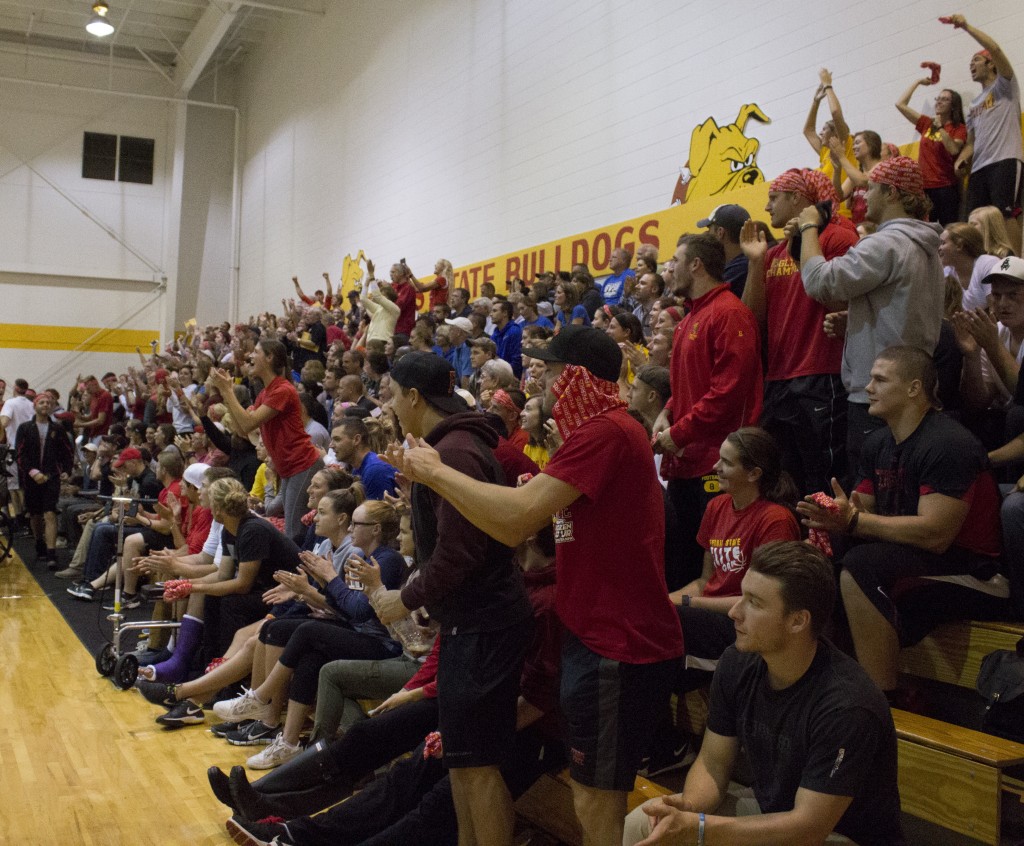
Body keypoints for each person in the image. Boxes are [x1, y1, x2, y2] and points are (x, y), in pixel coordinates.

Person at [398, 328, 683, 846]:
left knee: (596, 805)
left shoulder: (607, 431)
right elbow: (533, 524)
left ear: (577, 375)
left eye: (552, 371)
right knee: (588, 799)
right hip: (596, 635)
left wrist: (436, 475)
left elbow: (512, 522)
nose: (543, 381)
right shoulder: (593, 435)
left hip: (617, 642)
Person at [623, 541, 904, 846]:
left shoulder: (847, 705)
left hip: (838, 835)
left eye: (754, 603)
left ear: (798, 620)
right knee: (643, 823)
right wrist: (689, 810)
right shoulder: (738, 662)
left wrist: (701, 829)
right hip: (776, 816)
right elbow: (713, 764)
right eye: (741, 596)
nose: (734, 611)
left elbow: (808, 828)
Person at [369, 351, 534, 846]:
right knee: (463, 765)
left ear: (414, 396)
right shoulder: (449, 445)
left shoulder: (457, 450)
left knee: (478, 768)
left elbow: (459, 555)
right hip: (473, 625)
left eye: (394, 396)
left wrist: (406, 597)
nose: (392, 407)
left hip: (486, 626)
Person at [796, 347, 1001, 698]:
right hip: (915, 556)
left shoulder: (948, 443)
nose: (868, 386)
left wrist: (855, 521)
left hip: (974, 571)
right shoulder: (878, 442)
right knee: (814, 558)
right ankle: (821, 682)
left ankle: (879, 699)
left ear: (914, 389)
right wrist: (830, 520)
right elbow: (860, 510)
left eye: (880, 379)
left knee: (862, 564)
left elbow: (935, 534)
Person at [799, 156, 944, 477]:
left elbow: (820, 282)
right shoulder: (925, 246)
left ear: (892, 193)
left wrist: (808, 227)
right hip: (910, 391)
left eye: (871, 189)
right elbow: (902, 310)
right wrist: (855, 323)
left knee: (871, 498)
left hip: (876, 398)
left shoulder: (885, 244)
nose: (862, 197)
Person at [740, 168, 858, 496]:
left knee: (826, 478)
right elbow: (750, 319)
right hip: (779, 380)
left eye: (774, 198)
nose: (767, 208)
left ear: (797, 198)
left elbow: (844, 298)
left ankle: (829, 546)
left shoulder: (837, 238)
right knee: (785, 482)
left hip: (823, 374)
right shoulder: (774, 254)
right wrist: (754, 263)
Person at [654, 233, 763, 586]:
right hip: (685, 464)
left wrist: (678, 432)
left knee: (714, 578)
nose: (669, 270)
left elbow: (727, 393)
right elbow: (687, 385)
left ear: (696, 265)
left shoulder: (729, 313)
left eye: (675, 261)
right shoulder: (689, 319)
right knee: (679, 568)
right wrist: (666, 413)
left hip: (716, 465)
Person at [671, 427, 800, 689]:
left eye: (727, 462)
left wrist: (687, 603)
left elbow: (760, 601)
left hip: (745, 623)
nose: (716, 466)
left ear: (753, 474)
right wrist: (663, 601)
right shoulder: (716, 506)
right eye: (719, 458)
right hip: (709, 614)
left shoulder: (775, 520)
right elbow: (705, 581)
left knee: (672, 626)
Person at [211, 339, 323, 543]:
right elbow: (241, 429)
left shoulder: (283, 390)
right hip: (289, 468)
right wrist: (226, 395)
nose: (250, 356)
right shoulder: (265, 393)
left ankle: (296, 573)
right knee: (291, 529)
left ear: (270, 357)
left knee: (294, 531)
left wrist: (228, 391)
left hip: (303, 464)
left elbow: (247, 423)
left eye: (255, 352)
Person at [946, 14, 1023, 255]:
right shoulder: (974, 105)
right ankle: (981, 266)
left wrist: (967, 26)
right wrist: (962, 159)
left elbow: (996, 48)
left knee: (1004, 213)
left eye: (976, 60)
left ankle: (1016, 266)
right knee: (973, 220)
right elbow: (971, 142)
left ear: (991, 64)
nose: (971, 65)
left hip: (1005, 160)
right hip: (979, 168)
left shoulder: (1005, 86)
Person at [895, 74, 967, 225]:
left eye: (945, 99)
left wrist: (940, 127)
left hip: (946, 188)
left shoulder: (959, 128)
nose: (939, 101)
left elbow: (953, 149)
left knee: (948, 230)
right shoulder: (927, 124)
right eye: (938, 98)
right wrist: (918, 82)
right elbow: (900, 104)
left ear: (953, 105)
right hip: (925, 188)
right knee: (926, 230)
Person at [15, 393, 74, 566]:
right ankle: (39, 542)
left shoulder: (57, 429)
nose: (45, 405)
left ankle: (51, 553)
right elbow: (20, 454)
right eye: (42, 402)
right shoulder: (25, 428)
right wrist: (32, 472)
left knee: (50, 512)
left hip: (51, 476)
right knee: (35, 514)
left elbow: (67, 452)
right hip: (31, 477)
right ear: (35, 405)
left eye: (49, 402)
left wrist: (66, 470)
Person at [329, 417, 397, 500]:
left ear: (357, 439)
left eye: (337, 439)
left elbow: (379, 512)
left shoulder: (375, 470)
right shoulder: (357, 468)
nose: (331, 445)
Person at [697, 204, 752, 297]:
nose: (706, 234)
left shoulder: (739, 269)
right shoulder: (743, 264)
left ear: (720, 232)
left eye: (709, 230)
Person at [490, 299, 524, 379]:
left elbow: (517, 361)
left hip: (512, 377)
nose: (491, 314)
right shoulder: (495, 333)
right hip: (499, 374)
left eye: (494, 311)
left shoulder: (515, 332)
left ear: (505, 313)